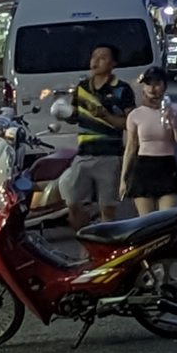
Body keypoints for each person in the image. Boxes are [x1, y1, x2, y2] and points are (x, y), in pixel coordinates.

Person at [64, 44, 138, 229]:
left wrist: (105, 115)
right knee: (72, 202)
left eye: (102, 57)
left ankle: (102, 248)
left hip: (110, 156)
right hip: (83, 155)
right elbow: (74, 116)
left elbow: (129, 124)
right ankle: (86, 236)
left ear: (113, 64)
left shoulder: (122, 89)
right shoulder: (81, 88)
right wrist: (66, 114)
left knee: (108, 209)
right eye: (93, 56)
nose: (95, 61)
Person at [121, 67, 177, 215]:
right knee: (146, 223)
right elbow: (131, 148)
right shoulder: (136, 114)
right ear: (143, 87)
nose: (152, 88)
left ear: (164, 86)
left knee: (166, 218)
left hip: (166, 166)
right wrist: (123, 179)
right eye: (148, 84)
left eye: (157, 83)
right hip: (143, 167)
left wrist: (174, 122)